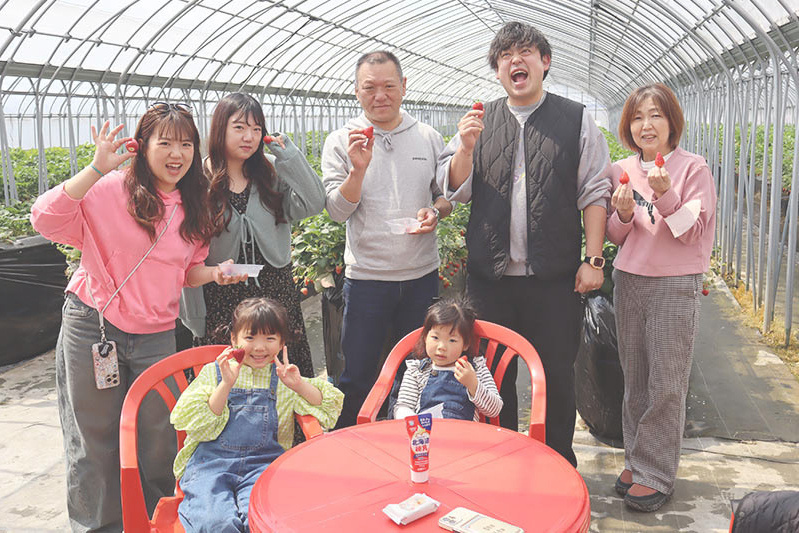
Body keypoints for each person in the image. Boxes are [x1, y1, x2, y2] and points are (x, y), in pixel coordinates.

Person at [30, 104, 246, 532]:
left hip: (156, 336)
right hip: (95, 326)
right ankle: (99, 527)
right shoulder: (110, 190)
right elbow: (44, 218)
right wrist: (93, 168)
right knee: (94, 440)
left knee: (160, 438)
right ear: (142, 146)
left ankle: (157, 521)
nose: (177, 153)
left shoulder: (195, 204)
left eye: (186, 143)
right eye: (164, 142)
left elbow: (184, 273)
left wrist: (215, 274)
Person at [436, 21, 612, 466]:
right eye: (505, 56)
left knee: (554, 375)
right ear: (497, 71)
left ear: (544, 62)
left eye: (526, 52)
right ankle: (500, 460)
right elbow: (452, 189)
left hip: (552, 278)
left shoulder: (575, 120)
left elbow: (594, 191)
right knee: (491, 375)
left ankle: (556, 463)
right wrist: (466, 149)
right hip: (489, 278)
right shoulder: (478, 121)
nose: (516, 60)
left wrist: (593, 260)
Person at [322, 50, 453, 427]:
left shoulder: (427, 136)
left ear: (404, 87)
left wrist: (436, 211)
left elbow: (444, 196)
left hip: (420, 277)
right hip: (367, 280)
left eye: (388, 86)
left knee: (418, 372)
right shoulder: (341, 141)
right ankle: (355, 448)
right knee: (358, 373)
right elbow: (336, 210)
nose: (380, 95)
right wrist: (357, 171)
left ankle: (411, 447)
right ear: (357, 91)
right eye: (370, 88)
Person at [607, 83, 716, 512]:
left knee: (666, 383)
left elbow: (691, 229)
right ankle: (637, 459)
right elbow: (617, 236)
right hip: (629, 280)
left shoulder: (693, 168)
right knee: (634, 379)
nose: (645, 124)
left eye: (655, 115)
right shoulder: (621, 168)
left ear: (672, 122)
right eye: (637, 117)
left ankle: (656, 473)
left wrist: (665, 193)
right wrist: (622, 212)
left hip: (674, 283)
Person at [181, 92, 325, 379]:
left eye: (257, 129)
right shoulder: (198, 180)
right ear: (219, 129)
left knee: (283, 380)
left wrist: (290, 156)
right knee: (229, 386)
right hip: (222, 297)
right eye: (239, 127)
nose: (249, 136)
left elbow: (315, 201)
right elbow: (184, 249)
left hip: (276, 292)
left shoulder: (270, 174)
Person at [171, 297, 343, 532]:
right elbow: (194, 425)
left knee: (261, 520)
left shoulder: (284, 378)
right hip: (210, 466)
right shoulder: (215, 372)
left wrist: (299, 385)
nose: (260, 347)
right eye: (250, 337)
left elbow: (329, 404)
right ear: (234, 339)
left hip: (264, 467)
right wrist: (226, 385)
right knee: (217, 524)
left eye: (270, 338)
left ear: (282, 342)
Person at [394, 298, 503, 421]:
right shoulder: (417, 370)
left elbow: (494, 410)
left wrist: (473, 384)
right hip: (427, 434)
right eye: (435, 337)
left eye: (452, 340)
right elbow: (403, 406)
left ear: (465, 344)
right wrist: (412, 419)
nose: (442, 347)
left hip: (465, 436)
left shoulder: (476, 368)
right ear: (425, 337)